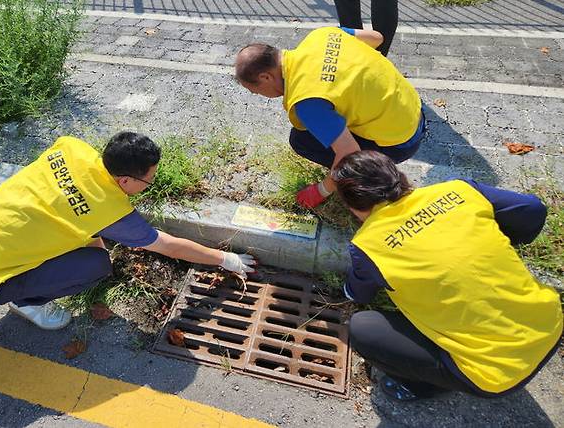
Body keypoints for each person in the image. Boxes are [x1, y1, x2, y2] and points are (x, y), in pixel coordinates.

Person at [0, 132, 257, 330]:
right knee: (96, 264)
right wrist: (225, 259)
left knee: (88, 242)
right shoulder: (110, 209)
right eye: (148, 181)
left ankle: (25, 282)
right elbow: (169, 246)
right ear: (125, 181)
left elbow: (69, 202)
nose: (150, 185)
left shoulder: (70, 147)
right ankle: (28, 303)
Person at [332, 150, 562, 401]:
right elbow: (533, 209)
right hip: (550, 324)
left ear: (354, 206)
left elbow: (356, 293)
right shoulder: (459, 190)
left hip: (494, 376)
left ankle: (421, 387)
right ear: (397, 174)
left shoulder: (367, 245)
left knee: (363, 328)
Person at [235, 26, 424, 209]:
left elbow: (349, 152)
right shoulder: (322, 35)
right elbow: (376, 38)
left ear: (266, 77)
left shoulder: (307, 102)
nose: (260, 95)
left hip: (400, 143)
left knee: (302, 140)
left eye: (256, 91)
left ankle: (371, 184)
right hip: (414, 110)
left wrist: (321, 190)